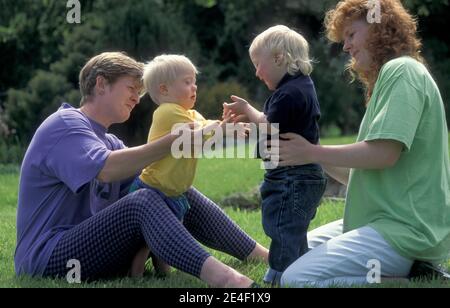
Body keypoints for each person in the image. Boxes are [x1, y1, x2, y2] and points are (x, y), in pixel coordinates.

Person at [14, 51, 268, 287]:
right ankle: (228, 281)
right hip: (48, 257)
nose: (137, 97)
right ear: (101, 84)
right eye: (131, 89)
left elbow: (152, 180)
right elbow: (107, 169)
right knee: (143, 200)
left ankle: (263, 256)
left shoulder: (109, 142)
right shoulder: (65, 124)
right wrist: (172, 140)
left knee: (170, 190)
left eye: (140, 91)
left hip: (93, 250)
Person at [270, 0, 450, 287]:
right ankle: (410, 272)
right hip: (377, 223)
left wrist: (312, 151)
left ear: (380, 27)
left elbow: (383, 154)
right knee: (287, 256)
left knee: (295, 279)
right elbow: (361, 174)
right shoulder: (390, 78)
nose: (346, 47)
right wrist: (309, 153)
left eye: (351, 35)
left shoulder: (402, 70)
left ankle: (399, 280)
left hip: (402, 232)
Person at [223, 25, 327, 285]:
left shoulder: (290, 92)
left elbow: (270, 125)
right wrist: (250, 124)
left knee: (281, 226)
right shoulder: (297, 88)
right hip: (295, 175)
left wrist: (248, 109)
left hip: (291, 176)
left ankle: (279, 274)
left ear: (280, 58)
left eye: (258, 64)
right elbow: (271, 126)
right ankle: (301, 266)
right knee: (291, 227)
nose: (256, 73)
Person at [128, 54, 249, 276]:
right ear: (164, 90)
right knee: (144, 242)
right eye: (186, 82)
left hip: (173, 192)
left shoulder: (189, 113)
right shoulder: (167, 112)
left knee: (167, 236)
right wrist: (221, 127)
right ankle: (134, 274)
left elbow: (207, 134)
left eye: (194, 81)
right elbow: (196, 134)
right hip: (153, 189)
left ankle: (162, 274)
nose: (194, 87)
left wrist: (229, 128)